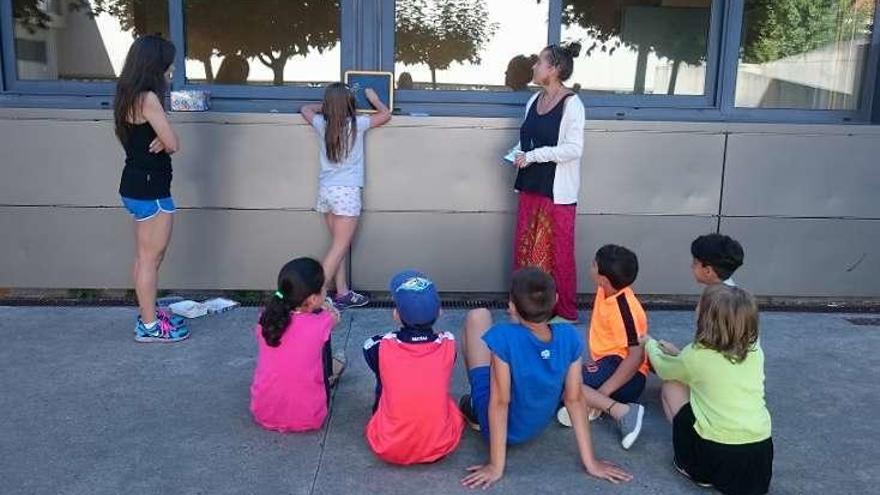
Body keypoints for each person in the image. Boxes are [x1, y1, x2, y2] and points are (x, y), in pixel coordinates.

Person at [458, 267, 631, 489]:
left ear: (511, 305)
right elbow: (575, 398)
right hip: (532, 426)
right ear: (555, 300)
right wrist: (592, 463)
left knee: (478, 316)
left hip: (499, 428)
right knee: (514, 348)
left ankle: (474, 406)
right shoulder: (569, 336)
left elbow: (500, 402)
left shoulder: (502, 336)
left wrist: (495, 466)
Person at [644, 285, 773, 494]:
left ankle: (692, 467)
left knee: (671, 386)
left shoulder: (696, 354)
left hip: (715, 455)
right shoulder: (755, 350)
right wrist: (679, 354)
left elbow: (664, 369)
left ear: (706, 318)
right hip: (759, 458)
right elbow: (718, 373)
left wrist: (649, 344)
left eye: (699, 304)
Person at [113, 34, 188, 343]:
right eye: (167, 65)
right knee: (150, 260)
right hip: (151, 190)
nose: (170, 70)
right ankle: (149, 326)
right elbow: (173, 143)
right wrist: (165, 140)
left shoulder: (127, 94)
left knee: (144, 258)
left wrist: (161, 140)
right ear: (155, 66)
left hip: (134, 184)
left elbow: (155, 140)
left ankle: (148, 312)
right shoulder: (148, 98)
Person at [510, 42, 585, 323]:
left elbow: (573, 148)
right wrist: (518, 153)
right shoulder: (533, 100)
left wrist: (533, 155)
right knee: (527, 249)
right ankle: (526, 307)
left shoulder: (572, 104)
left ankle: (564, 312)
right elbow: (528, 140)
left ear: (553, 69)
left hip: (557, 191)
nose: (534, 66)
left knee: (559, 252)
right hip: (531, 185)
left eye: (539, 62)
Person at [300, 83, 392, 310]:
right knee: (339, 248)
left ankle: (342, 293)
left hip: (326, 191)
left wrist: (325, 107)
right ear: (349, 104)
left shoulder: (322, 123)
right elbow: (386, 114)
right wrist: (373, 98)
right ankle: (313, 299)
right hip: (347, 192)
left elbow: (304, 109)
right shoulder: (357, 124)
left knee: (336, 246)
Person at [363, 270, 464, 465]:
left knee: (385, 378)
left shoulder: (379, 346)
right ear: (440, 311)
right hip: (440, 446)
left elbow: (369, 349)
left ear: (396, 315)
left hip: (388, 446)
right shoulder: (449, 344)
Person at [557, 245, 646, 451]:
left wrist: (604, 392)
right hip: (609, 364)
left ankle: (621, 412)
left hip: (628, 375)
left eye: (594, 264)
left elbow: (635, 357)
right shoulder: (606, 289)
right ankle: (586, 404)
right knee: (562, 380)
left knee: (565, 380)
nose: (591, 267)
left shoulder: (624, 309)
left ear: (602, 279)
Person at [250, 257, 343, 432]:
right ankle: (329, 373)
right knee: (323, 338)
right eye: (324, 287)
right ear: (314, 299)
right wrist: (326, 306)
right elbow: (336, 317)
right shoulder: (323, 321)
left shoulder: (265, 317)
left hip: (263, 413)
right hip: (309, 417)